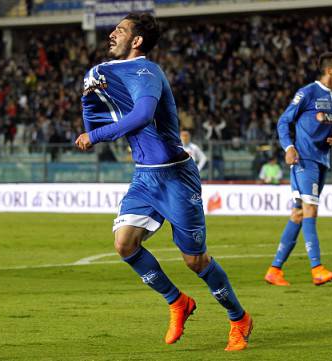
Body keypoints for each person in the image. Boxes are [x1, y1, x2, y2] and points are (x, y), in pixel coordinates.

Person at [75, 13, 252, 351]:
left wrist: (94, 135)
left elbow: (141, 115)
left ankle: (238, 318)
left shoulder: (146, 71)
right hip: (144, 176)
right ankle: (178, 301)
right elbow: (106, 108)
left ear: (137, 41)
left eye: (121, 30)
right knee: (124, 244)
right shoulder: (112, 72)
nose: (112, 34)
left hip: (175, 177)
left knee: (195, 261)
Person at [264, 52, 332, 286]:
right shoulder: (308, 92)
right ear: (329, 70)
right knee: (310, 210)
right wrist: (288, 147)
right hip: (304, 160)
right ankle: (317, 268)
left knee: (299, 214)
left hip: (322, 160)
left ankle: (274, 270)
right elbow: (284, 121)